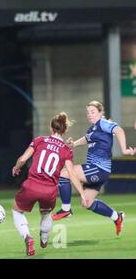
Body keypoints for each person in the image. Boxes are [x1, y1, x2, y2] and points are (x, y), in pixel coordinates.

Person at [52, 101, 135, 236]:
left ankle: (66, 209)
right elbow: (86, 139)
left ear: (100, 113)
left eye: (93, 111)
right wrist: (74, 144)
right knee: (87, 203)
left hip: (98, 168)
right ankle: (116, 217)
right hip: (98, 170)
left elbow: (119, 130)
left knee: (65, 173)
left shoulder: (103, 123)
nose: (89, 114)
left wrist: (124, 149)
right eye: (88, 112)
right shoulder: (92, 128)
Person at [12, 112, 88, 256]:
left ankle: (27, 237)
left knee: (17, 210)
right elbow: (72, 174)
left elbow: (22, 159)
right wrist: (83, 195)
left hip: (32, 184)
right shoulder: (66, 150)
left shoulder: (39, 140)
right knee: (46, 214)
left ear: (51, 128)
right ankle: (44, 239)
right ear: (65, 131)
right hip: (49, 190)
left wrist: (17, 167)